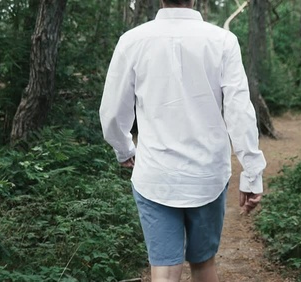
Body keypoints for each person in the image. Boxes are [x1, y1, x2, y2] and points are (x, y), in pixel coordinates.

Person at [99, 0, 266, 281]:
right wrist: (251, 173)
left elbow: (112, 112)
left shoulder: (132, 41)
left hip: (155, 176)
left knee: (163, 270)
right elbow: (240, 112)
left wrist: (123, 148)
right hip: (208, 175)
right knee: (203, 265)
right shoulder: (223, 41)